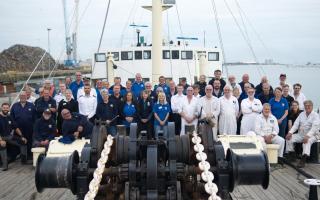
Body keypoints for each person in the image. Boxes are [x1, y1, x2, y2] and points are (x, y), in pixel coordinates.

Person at [286, 100, 320, 168]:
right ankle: (292, 155)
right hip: (301, 134)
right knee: (289, 138)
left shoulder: (316, 115)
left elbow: (314, 128)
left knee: (306, 142)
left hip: (313, 135)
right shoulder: (301, 114)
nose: (307, 107)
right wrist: (290, 133)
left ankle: (303, 159)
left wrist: (307, 136)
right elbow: (296, 125)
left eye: (309, 106)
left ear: (312, 106)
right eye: (305, 106)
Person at [0, 103, 28, 169]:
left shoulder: (9, 117)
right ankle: (4, 165)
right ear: (1, 108)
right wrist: (1, 140)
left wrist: (22, 136)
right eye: (4, 108)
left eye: (7, 108)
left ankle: (24, 161)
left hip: (9, 136)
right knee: (2, 145)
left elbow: (16, 128)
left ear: (9, 109)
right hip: (1, 137)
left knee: (23, 141)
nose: (5, 109)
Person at [10, 91, 36, 158]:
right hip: (18, 129)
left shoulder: (31, 105)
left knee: (29, 142)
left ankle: (29, 155)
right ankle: (22, 155)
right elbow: (12, 118)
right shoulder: (14, 106)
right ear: (19, 97)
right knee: (20, 142)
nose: (23, 97)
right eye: (21, 95)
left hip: (29, 128)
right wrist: (15, 127)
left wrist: (34, 126)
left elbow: (35, 117)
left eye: (24, 95)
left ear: (26, 96)